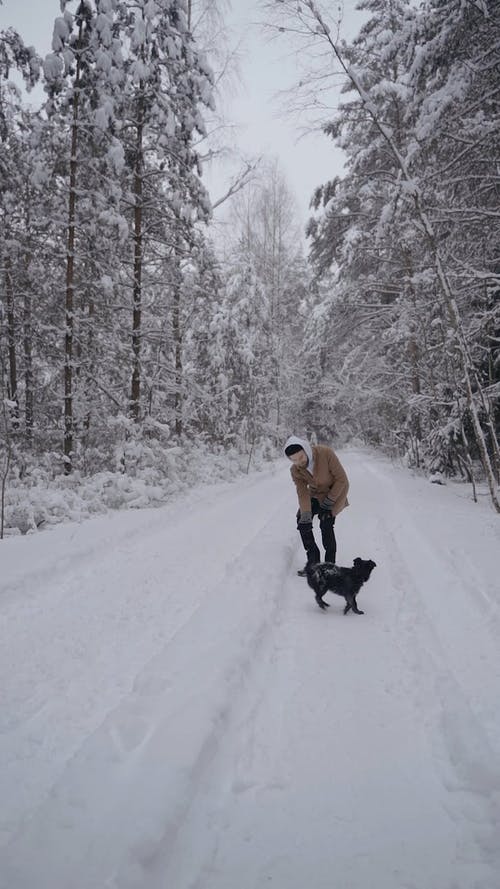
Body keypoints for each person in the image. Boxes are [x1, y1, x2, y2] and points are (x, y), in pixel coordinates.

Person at [284, 435, 349, 576]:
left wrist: (329, 503)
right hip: (316, 494)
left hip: (335, 492)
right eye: (293, 460)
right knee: (302, 520)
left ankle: (329, 567)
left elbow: (342, 480)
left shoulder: (325, 453)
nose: (298, 462)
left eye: (300, 457)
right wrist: (306, 514)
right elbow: (302, 493)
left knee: (326, 524)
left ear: (306, 450)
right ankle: (313, 564)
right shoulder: (295, 471)